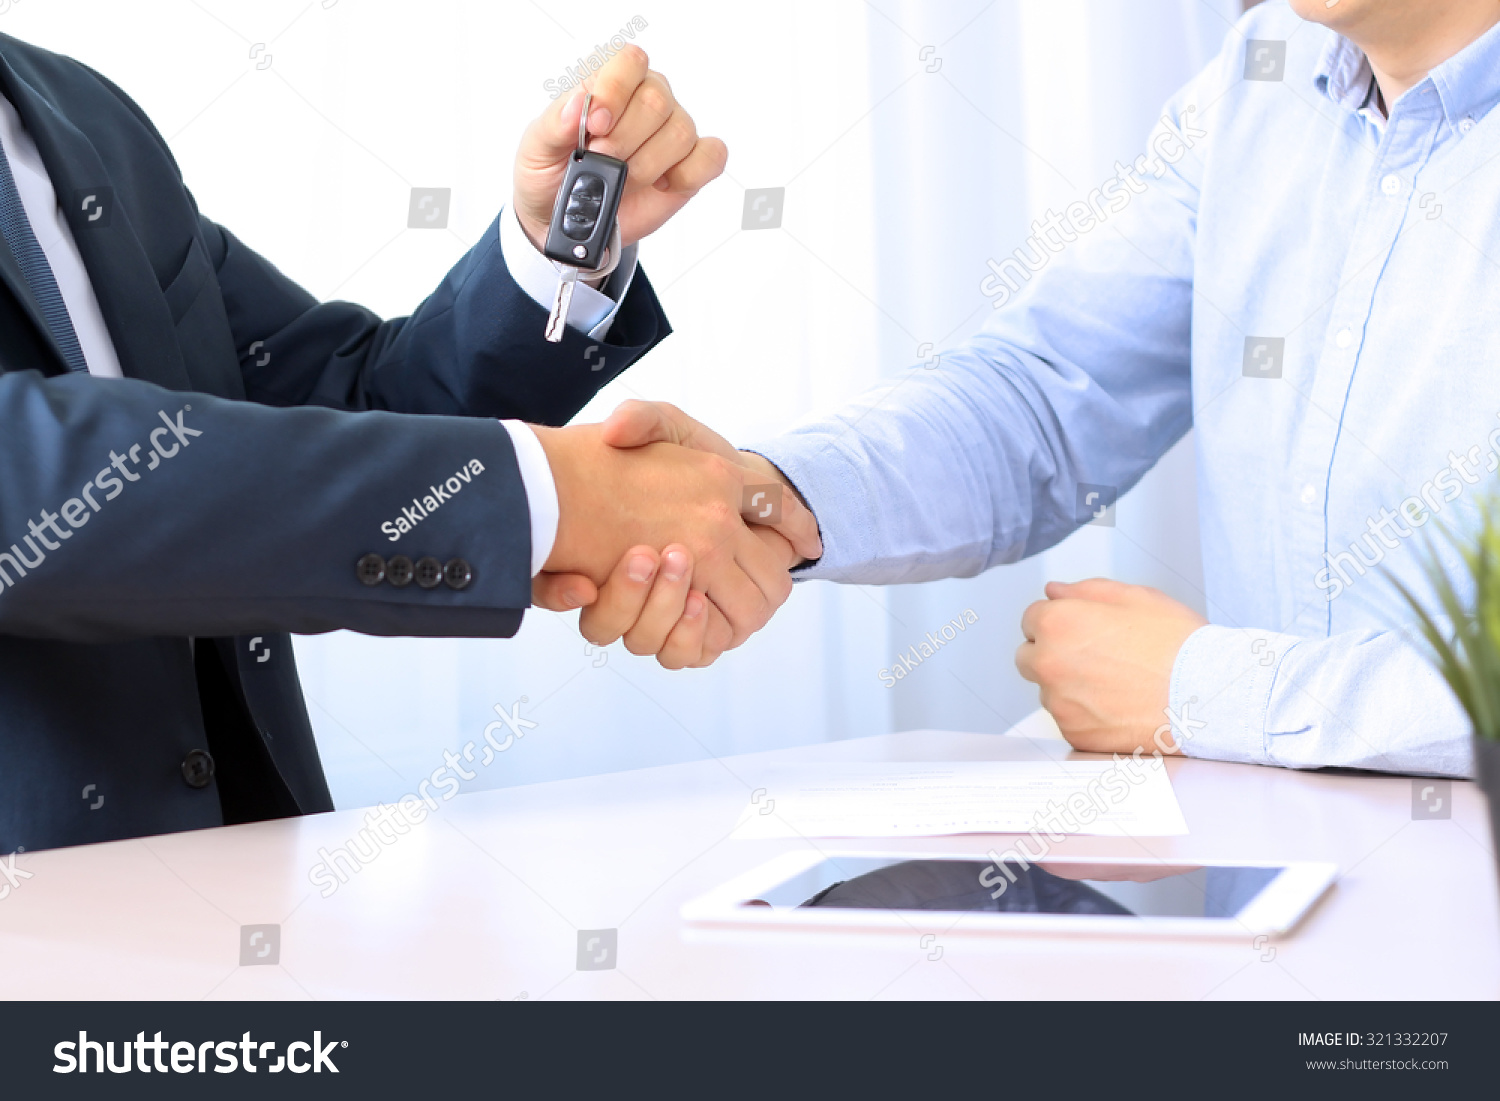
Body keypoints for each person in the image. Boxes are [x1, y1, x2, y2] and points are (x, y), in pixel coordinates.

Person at [540, 0, 1500, 779]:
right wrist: (764, 497)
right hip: (1278, 936)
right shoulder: (1262, 81)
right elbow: (1044, 402)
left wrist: (1212, 690)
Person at [0, 38, 819, 855]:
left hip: (249, 900)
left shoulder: (77, 109)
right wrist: (560, 498)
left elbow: (343, 401)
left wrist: (557, 249)